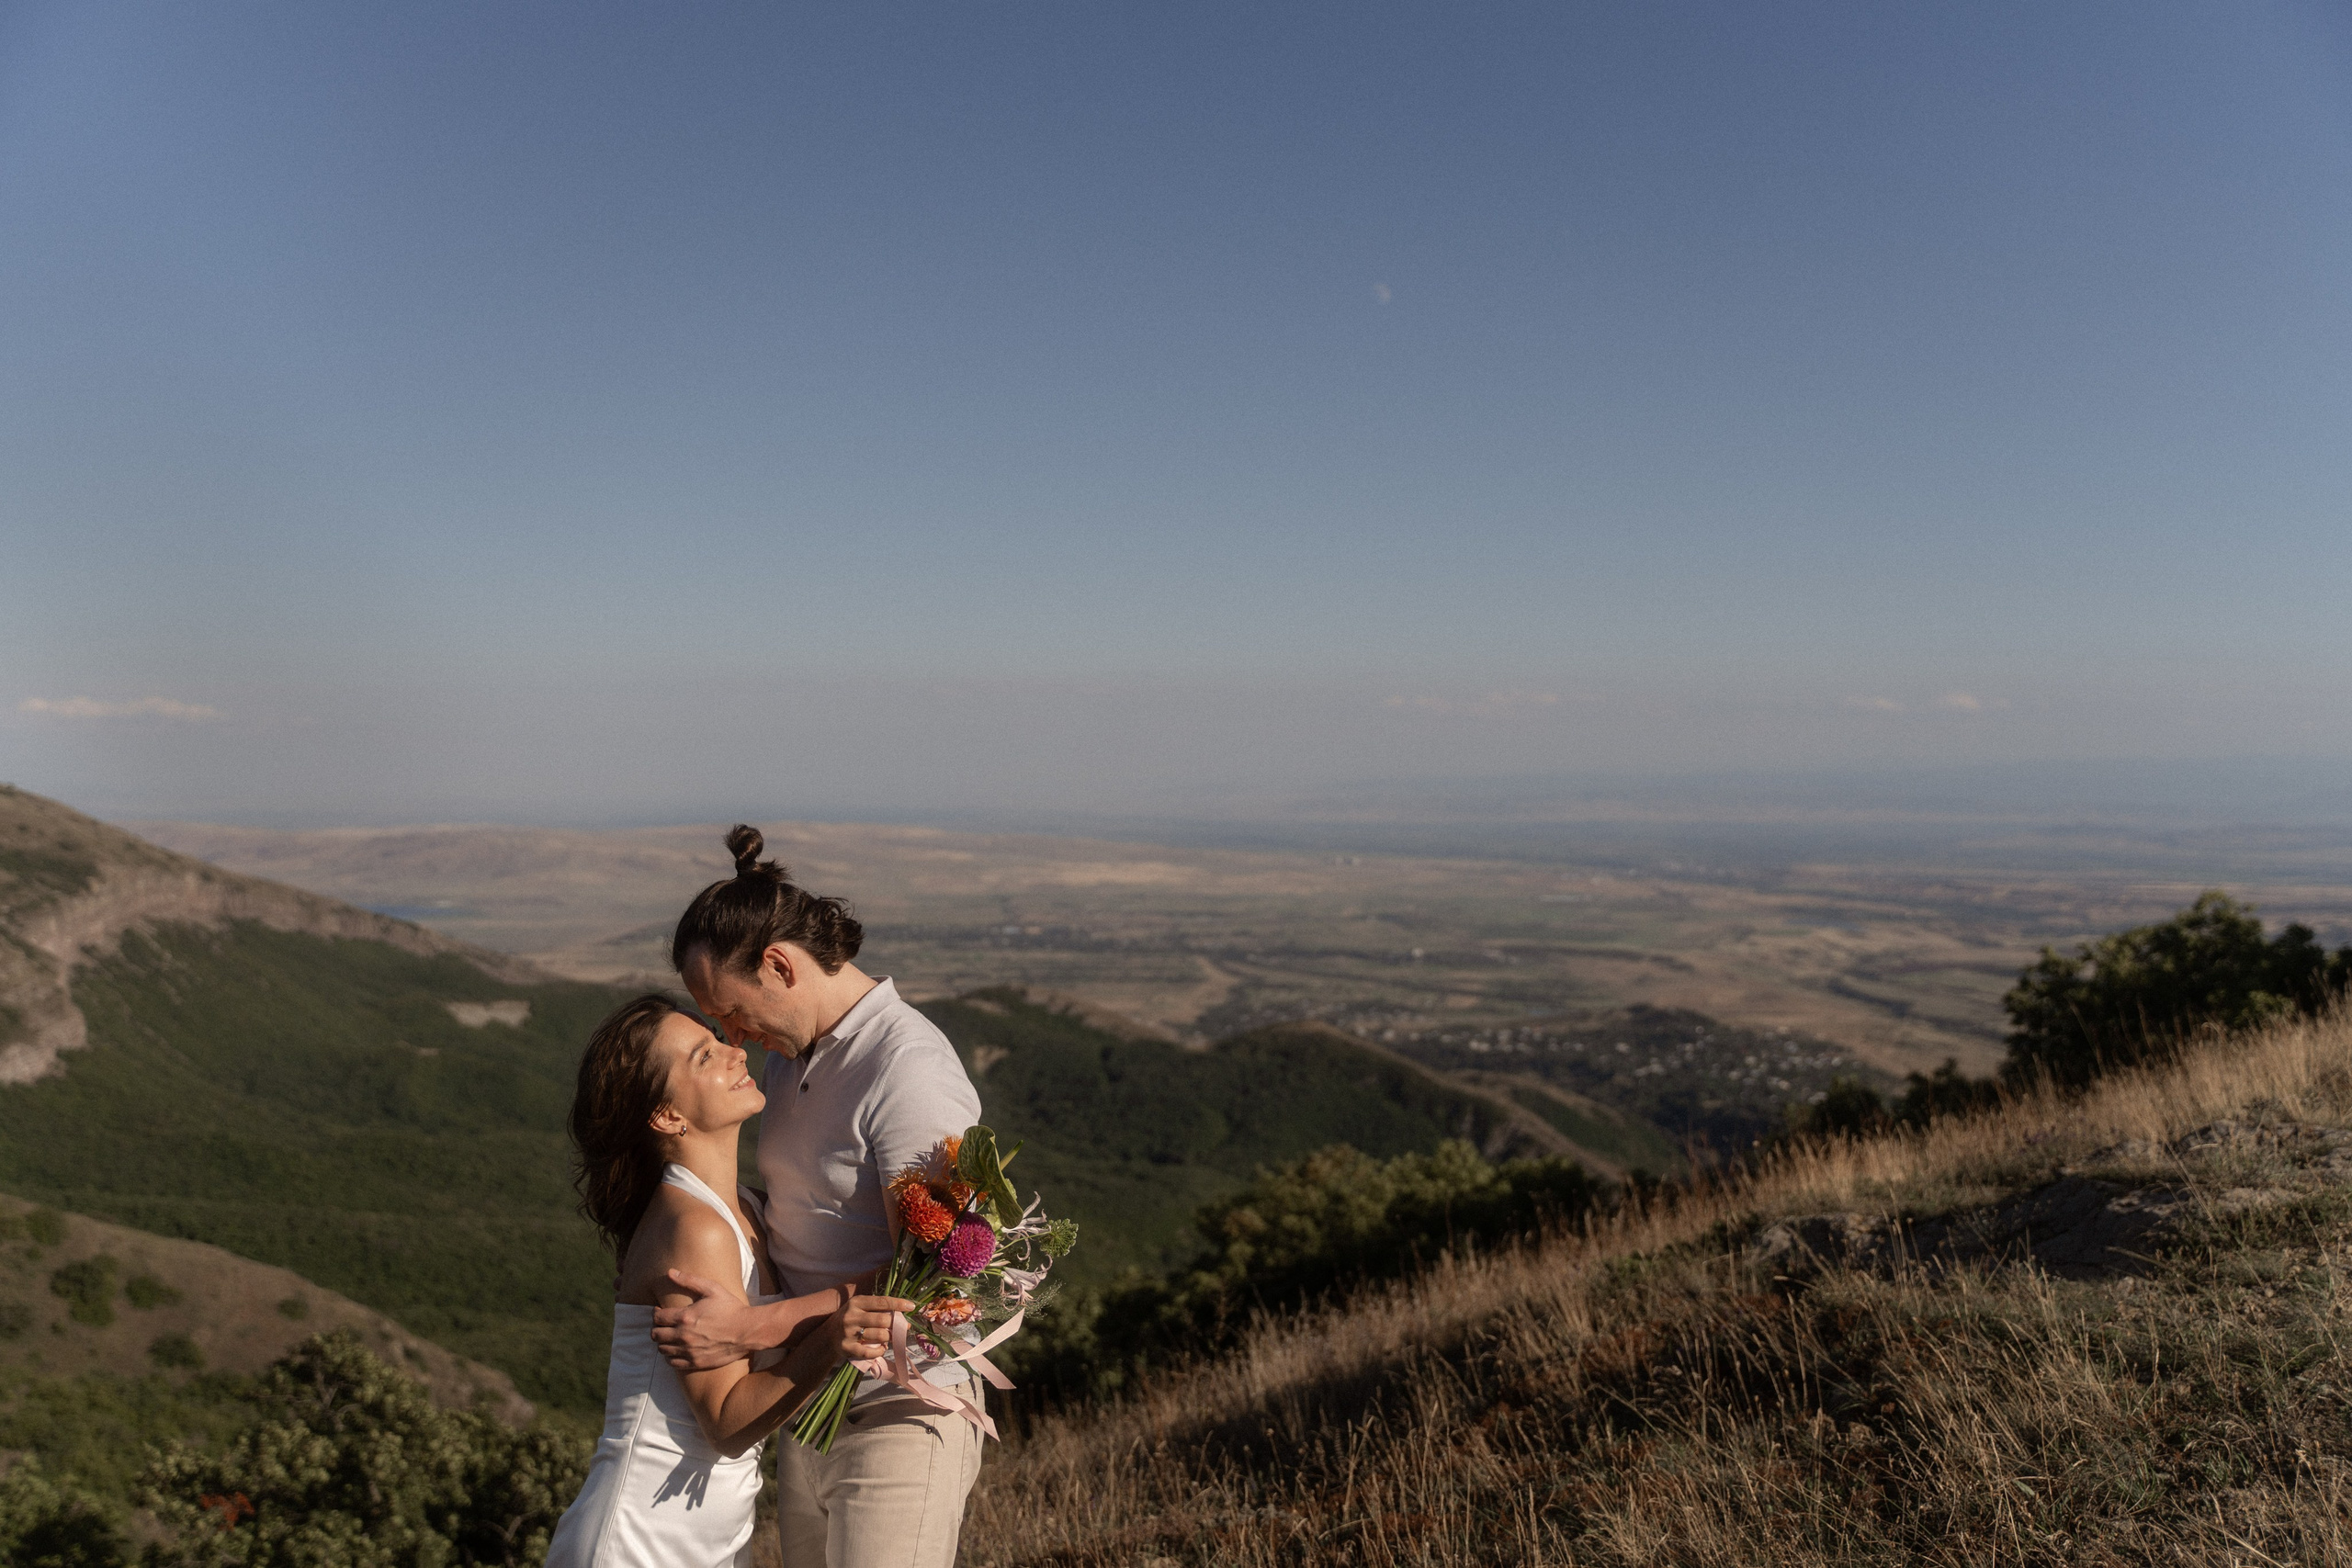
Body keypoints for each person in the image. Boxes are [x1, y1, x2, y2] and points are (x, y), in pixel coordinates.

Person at [650, 826, 987, 1568]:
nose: (731, 1034)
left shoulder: (907, 1068)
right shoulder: (789, 1059)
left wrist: (755, 1324)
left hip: (902, 1405)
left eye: (732, 1011)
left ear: (778, 964)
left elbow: (930, 1276)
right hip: (812, 1405)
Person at [548, 994, 916, 1568]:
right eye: (703, 1055)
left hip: (707, 1532)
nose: (734, 1051)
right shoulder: (697, 1228)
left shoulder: (743, 1209)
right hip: (644, 1538)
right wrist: (830, 1339)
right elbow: (726, 1424)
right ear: (668, 1116)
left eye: (717, 1038)